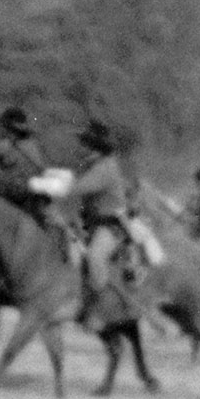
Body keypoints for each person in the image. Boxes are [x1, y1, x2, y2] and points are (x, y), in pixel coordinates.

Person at [64, 119, 130, 308]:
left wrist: (44, 184)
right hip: (91, 223)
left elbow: (77, 188)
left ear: (94, 145)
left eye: (84, 143)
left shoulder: (104, 167)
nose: (80, 147)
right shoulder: (91, 164)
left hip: (111, 225)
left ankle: (103, 305)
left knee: (95, 256)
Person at [0, 106, 46, 198]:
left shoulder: (10, 144)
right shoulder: (30, 142)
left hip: (22, 188)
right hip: (36, 186)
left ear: (9, 127)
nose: (0, 129)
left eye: (3, 126)